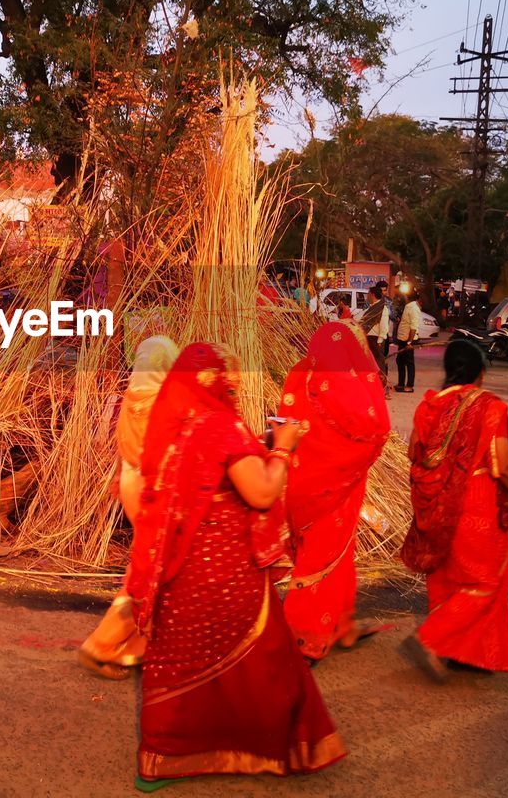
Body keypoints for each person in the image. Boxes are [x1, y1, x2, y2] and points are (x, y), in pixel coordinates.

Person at [128, 343, 343, 788]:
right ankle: (256, 746)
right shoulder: (222, 426)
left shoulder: (174, 424)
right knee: (261, 659)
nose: (238, 384)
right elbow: (261, 492)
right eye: (232, 376)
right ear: (217, 381)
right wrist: (282, 448)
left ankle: (163, 757)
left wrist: (258, 448)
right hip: (226, 570)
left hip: (180, 570)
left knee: (178, 661)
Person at [400, 339, 508, 680]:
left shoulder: (428, 406)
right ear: (480, 373)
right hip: (473, 502)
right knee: (488, 578)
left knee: (447, 577)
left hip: (434, 503)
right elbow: (505, 466)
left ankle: (466, 653)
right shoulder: (489, 407)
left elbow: (413, 453)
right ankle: (432, 639)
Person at [278, 321, 390, 662]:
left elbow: (282, 421)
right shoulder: (350, 382)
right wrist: (353, 463)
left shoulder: (299, 371)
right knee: (322, 556)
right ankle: (304, 637)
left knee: (335, 552)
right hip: (335, 487)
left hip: (298, 483)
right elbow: (376, 430)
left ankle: (342, 624)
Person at [78, 336, 180, 679]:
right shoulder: (167, 403)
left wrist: (118, 478)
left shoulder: (131, 396)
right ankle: (104, 644)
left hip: (130, 485)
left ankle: (140, 644)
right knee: (152, 568)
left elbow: (123, 448)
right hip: (155, 491)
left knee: (150, 561)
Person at [360, 281, 391, 388]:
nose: (367, 296)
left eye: (368, 294)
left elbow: (384, 326)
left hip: (376, 339)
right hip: (369, 338)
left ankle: (382, 387)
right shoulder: (372, 307)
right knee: (370, 363)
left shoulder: (382, 308)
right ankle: (372, 385)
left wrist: (380, 340)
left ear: (372, 294)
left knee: (379, 363)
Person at [392, 289, 422, 394]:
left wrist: (409, 342)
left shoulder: (413, 308)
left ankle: (409, 385)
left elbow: (413, 327)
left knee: (409, 363)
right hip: (402, 339)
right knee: (400, 361)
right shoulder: (408, 306)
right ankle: (401, 384)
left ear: (407, 297)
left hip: (407, 340)